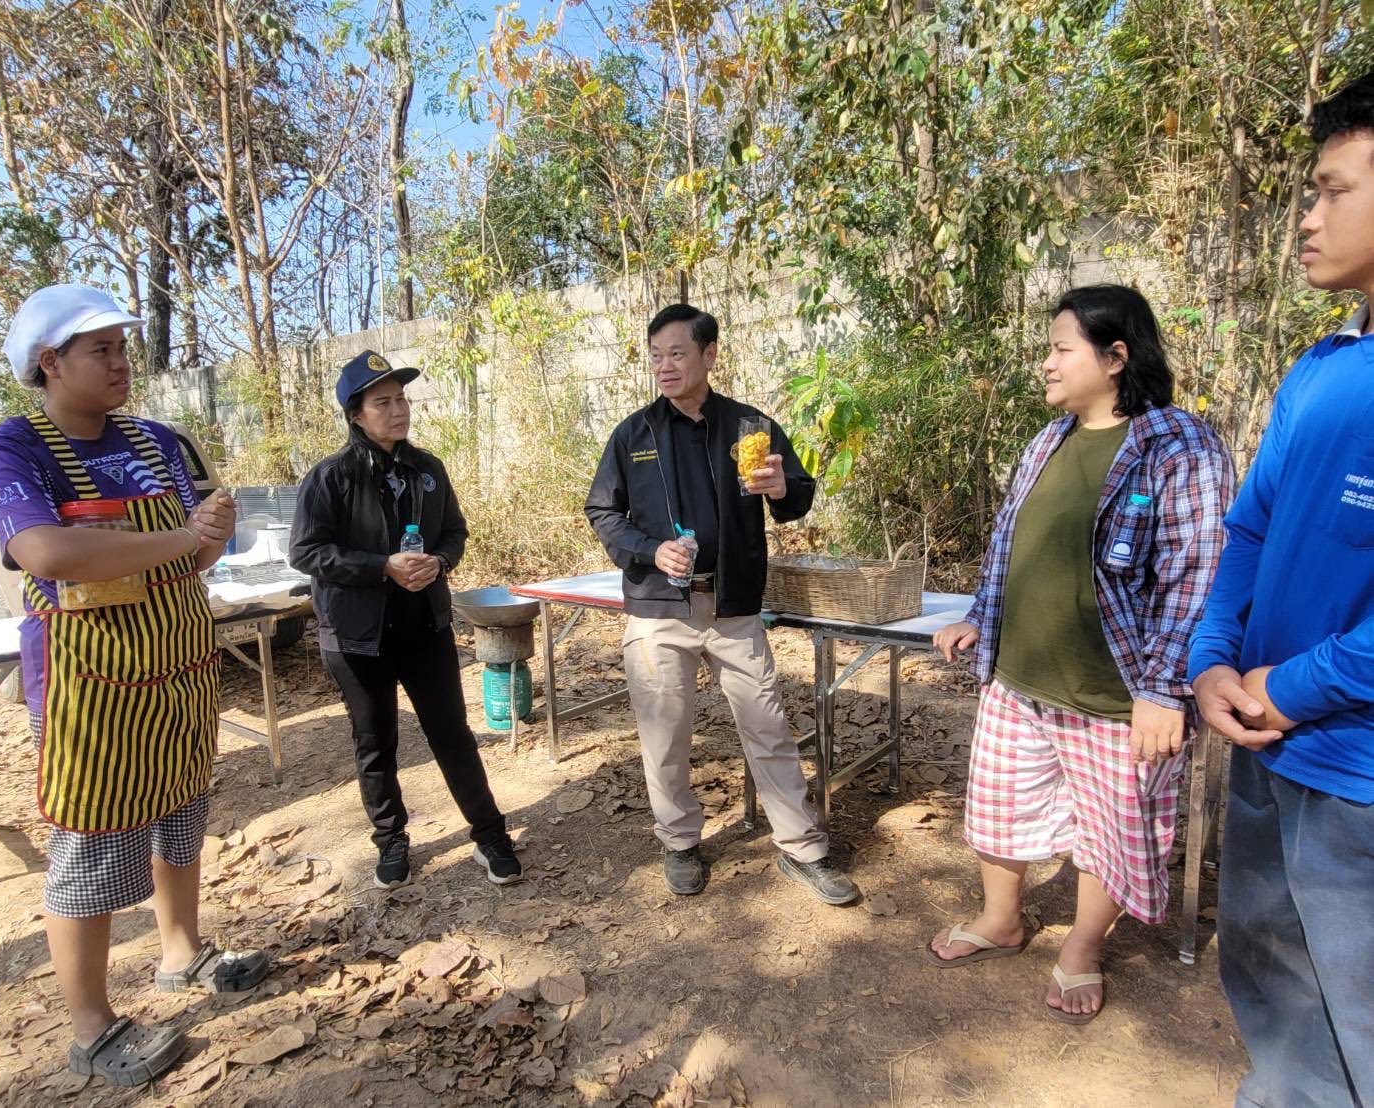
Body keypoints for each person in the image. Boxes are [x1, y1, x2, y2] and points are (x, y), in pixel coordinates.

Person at [0, 284, 269, 1087]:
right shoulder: (10, 451)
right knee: (93, 844)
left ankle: (182, 952)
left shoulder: (157, 441)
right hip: (89, 683)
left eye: (122, 348)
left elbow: (192, 560)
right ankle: (93, 1029)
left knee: (180, 811)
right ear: (48, 361)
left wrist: (213, 537)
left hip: (177, 666)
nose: (120, 363)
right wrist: (179, 535)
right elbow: (47, 553)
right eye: (99, 349)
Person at [929, 284, 1234, 1023]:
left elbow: (1198, 574)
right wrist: (978, 616)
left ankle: (1080, 952)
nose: (1046, 363)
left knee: (1111, 829)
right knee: (998, 807)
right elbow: (1013, 542)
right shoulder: (1050, 439)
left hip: (1113, 693)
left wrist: (1163, 690)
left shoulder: (1179, 446)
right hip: (1019, 676)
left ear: (1114, 356)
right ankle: (1001, 919)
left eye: (1061, 347)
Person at [1189, 73, 1374, 1108]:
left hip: (1355, 777)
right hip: (1264, 745)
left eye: (1331, 190)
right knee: (1273, 995)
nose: (1305, 216)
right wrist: (1210, 656)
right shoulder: (1320, 366)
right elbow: (1251, 523)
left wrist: (1292, 684)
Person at [584, 303, 859, 906]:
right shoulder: (634, 435)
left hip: (733, 607)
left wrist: (785, 487)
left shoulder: (749, 427)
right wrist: (651, 551)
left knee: (768, 728)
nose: (664, 366)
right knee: (665, 735)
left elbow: (797, 498)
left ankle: (802, 849)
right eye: (655, 356)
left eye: (677, 353)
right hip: (659, 610)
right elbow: (603, 512)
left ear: (709, 355)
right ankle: (680, 841)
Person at [289, 351, 521, 890]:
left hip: (425, 629)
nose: (398, 411)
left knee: (452, 735)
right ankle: (391, 842)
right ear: (355, 414)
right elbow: (306, 553)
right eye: (382, 402)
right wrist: (380, 567)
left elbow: (455, 534)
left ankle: (490, 836)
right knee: (376, 742)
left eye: (401, 400)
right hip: (357, 638)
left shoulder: (427, 470)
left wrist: (438, 562)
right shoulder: (330, 478)